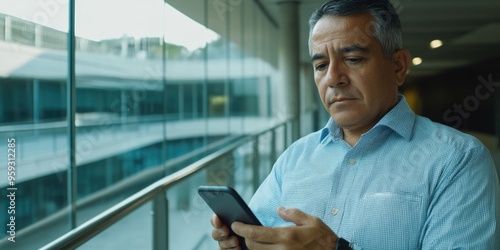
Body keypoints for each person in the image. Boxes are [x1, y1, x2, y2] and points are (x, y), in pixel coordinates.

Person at [210, 0, 500, 249]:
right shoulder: (294, 157)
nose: (333, 77)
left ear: (398, 66)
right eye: (321, 65)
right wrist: (244, 240)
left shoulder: (459, 159)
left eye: (352, 58)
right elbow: (263, 231)